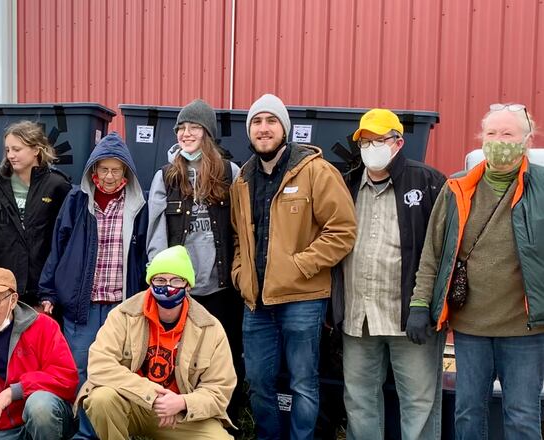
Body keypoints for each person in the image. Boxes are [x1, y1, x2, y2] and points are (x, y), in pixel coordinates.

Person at [407, 103, 544, 440]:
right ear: (481, 139)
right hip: (471, 328)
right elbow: (433, 253)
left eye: (508, 134)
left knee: (522, 417)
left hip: (524, 330)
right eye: (492, 133)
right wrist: (420, 304)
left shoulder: (542, 188)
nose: (499, 141)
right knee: (467, 413)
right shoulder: (457, 188)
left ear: (526, 141)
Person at [230, 93, 357, 440]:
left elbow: (343, 230)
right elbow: (240, 238)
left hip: (303, 298)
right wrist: (241, 275)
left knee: (303, 382)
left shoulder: (316, 171)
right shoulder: (242, 179)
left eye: (271, 121)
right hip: (256, 303)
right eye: (257, 122)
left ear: (285, 129)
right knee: (258, 384)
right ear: (249, 131)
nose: (263, 128)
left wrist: (301, 266)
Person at [330, 109, 446, 439]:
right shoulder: (348, 185)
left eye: (379, 140)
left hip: (408, 316)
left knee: (419, 403)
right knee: (359, 400)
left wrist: (425, 307)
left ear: (398, 142)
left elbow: (441, 251)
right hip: (358, 317)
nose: (371, 147)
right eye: (365, 141)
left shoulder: (428, 182)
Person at [39, 131, 148, 438]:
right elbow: (58, 245)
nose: (110, 177)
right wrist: (48, 290)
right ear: (93, 170)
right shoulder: (77, 200)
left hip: (121, 305)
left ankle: (101, 430)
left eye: (116, 170)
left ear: (126, 171)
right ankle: (78, 431)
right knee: (80, 369)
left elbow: (143, 251)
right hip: (81, 304)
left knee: (113, 370)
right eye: (104, 169)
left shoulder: (137, 204)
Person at [146, 98, 245, 423]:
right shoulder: (166, 176)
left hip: (220, 289)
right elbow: (156, 231)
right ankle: (177, 420)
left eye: (194, 128)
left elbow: (240, 229)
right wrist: (161, 278)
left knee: (224, 356)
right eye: (181, 128)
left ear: (208, 133)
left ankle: (222, 421)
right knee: (179, 357)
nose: (186, 134)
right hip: (180, 290)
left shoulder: (230, 172)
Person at [79, 245, 236, 440]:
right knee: (102, 399)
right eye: (160, 279)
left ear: (187, 285)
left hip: (179, 412)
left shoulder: (209, 328)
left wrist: (182, 402)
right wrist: (150, 395)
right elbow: (99, 365)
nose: (167, 286)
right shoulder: (124, 315)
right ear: (150, 282)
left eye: (176, 280)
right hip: (133, 403)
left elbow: (219, 390)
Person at [0, 266, 78, 440]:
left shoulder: (43, 326)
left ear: (13, 300)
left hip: (41, 422)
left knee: (40, 406)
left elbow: (66, 377)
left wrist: (15, 391)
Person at [0, 121, 71, 310]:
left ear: (36, 150)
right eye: (8, 149)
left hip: (42, 289)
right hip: (4, 286)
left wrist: (51, 288)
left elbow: (64, 240)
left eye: (17, 149)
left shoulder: (57, 186)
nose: (10, 155)